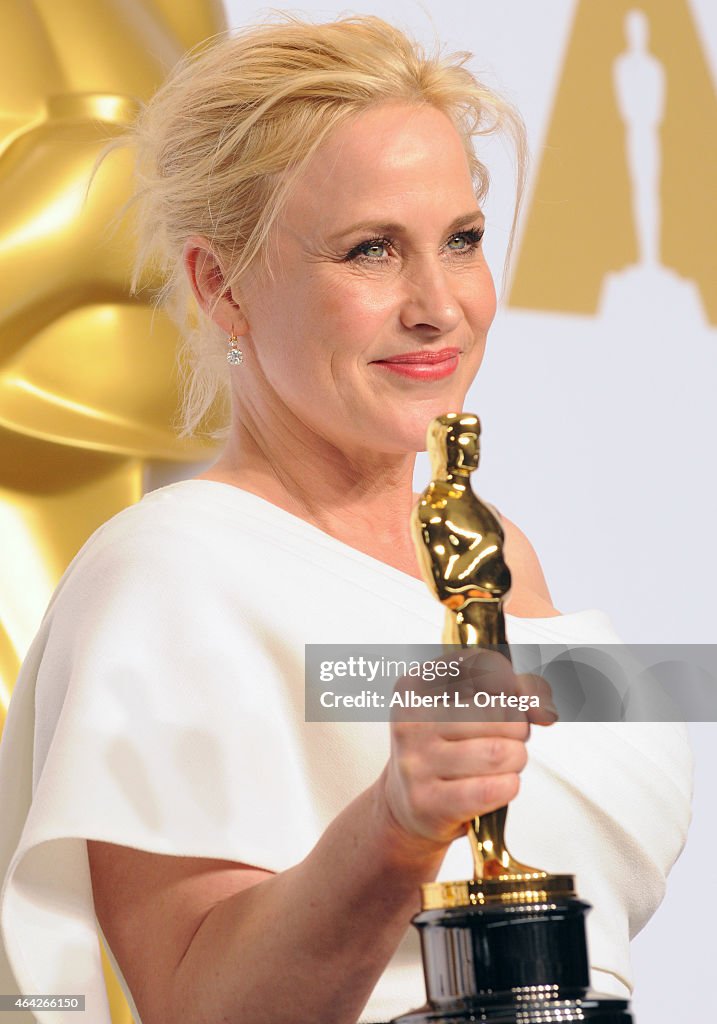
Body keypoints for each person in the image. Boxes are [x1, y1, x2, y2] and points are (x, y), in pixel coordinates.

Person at [0, 14, 692, 1024]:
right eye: (372, 250)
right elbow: (203, 1006)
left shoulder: (501, 547)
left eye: (461, 241)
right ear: (220, 285)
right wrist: (394, 828)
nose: (438, 304)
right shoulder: (168, 569)